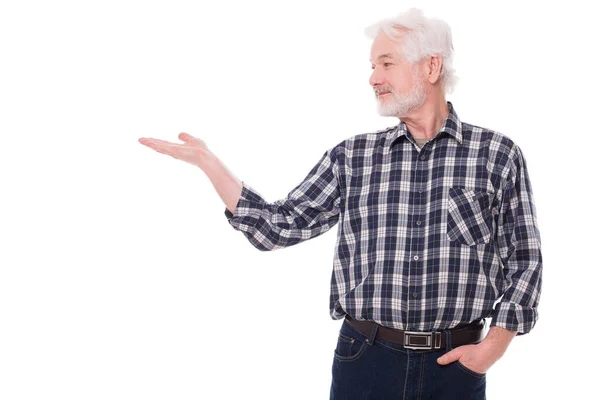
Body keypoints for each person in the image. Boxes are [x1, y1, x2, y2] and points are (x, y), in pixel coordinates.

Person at [138, 7, 542, 399]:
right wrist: (210, 164)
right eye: (372, 66)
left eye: (386, 64)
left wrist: (493, 347)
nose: (372, 78)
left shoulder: (497, 154)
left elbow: (525, 259)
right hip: (365, 361)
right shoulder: (353, 156)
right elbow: (278, 226)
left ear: (430, 67)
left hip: (455, 366)